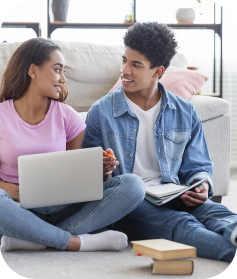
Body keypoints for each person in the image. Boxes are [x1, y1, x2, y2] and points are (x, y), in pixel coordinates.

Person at [82, 22, 237, 262]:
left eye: (136, 65)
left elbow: (198, 165)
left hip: (173, 193)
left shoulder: (185, 111)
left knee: (220, 214)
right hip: (132, 203)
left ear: (157, 71)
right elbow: (90, 183)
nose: (124, 70)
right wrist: (101, 171)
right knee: (180, 224)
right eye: (124, 60)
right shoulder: (101, 112)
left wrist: (200, 186)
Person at [0, 37, 145, 252]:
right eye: (57, 70)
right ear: (33, 70)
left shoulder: (68, 117)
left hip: (62, 204)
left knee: (133, 186)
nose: (63, 79)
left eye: (64, 71)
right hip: (15, 204)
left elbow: (75, 178)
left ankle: (35, 237)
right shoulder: (2, 115)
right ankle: (75, 241)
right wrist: (7, 189)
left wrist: (102, 172)